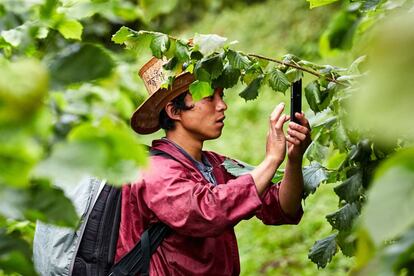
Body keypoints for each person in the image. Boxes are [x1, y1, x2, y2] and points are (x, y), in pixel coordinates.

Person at [115, 57, 312, 275]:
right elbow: (208, 211)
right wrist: (272, 160)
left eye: (221, 95)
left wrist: (293, 159)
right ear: (174, 111)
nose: (222, 105)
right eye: (209, 97)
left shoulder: (215, 165)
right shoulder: (154, 172)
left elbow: (281, 207)